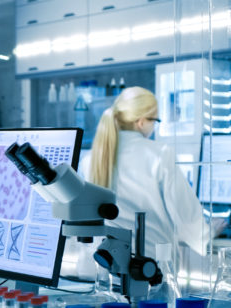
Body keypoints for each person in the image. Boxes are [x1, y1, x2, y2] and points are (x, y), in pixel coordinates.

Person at [81, 86, 215, 261]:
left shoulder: (90, 159)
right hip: (149, 267)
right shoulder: (159, 154)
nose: (154, 127)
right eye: (155, 121)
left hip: (100, 267)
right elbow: (184, 213)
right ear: (141, 122)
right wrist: (208, 235)